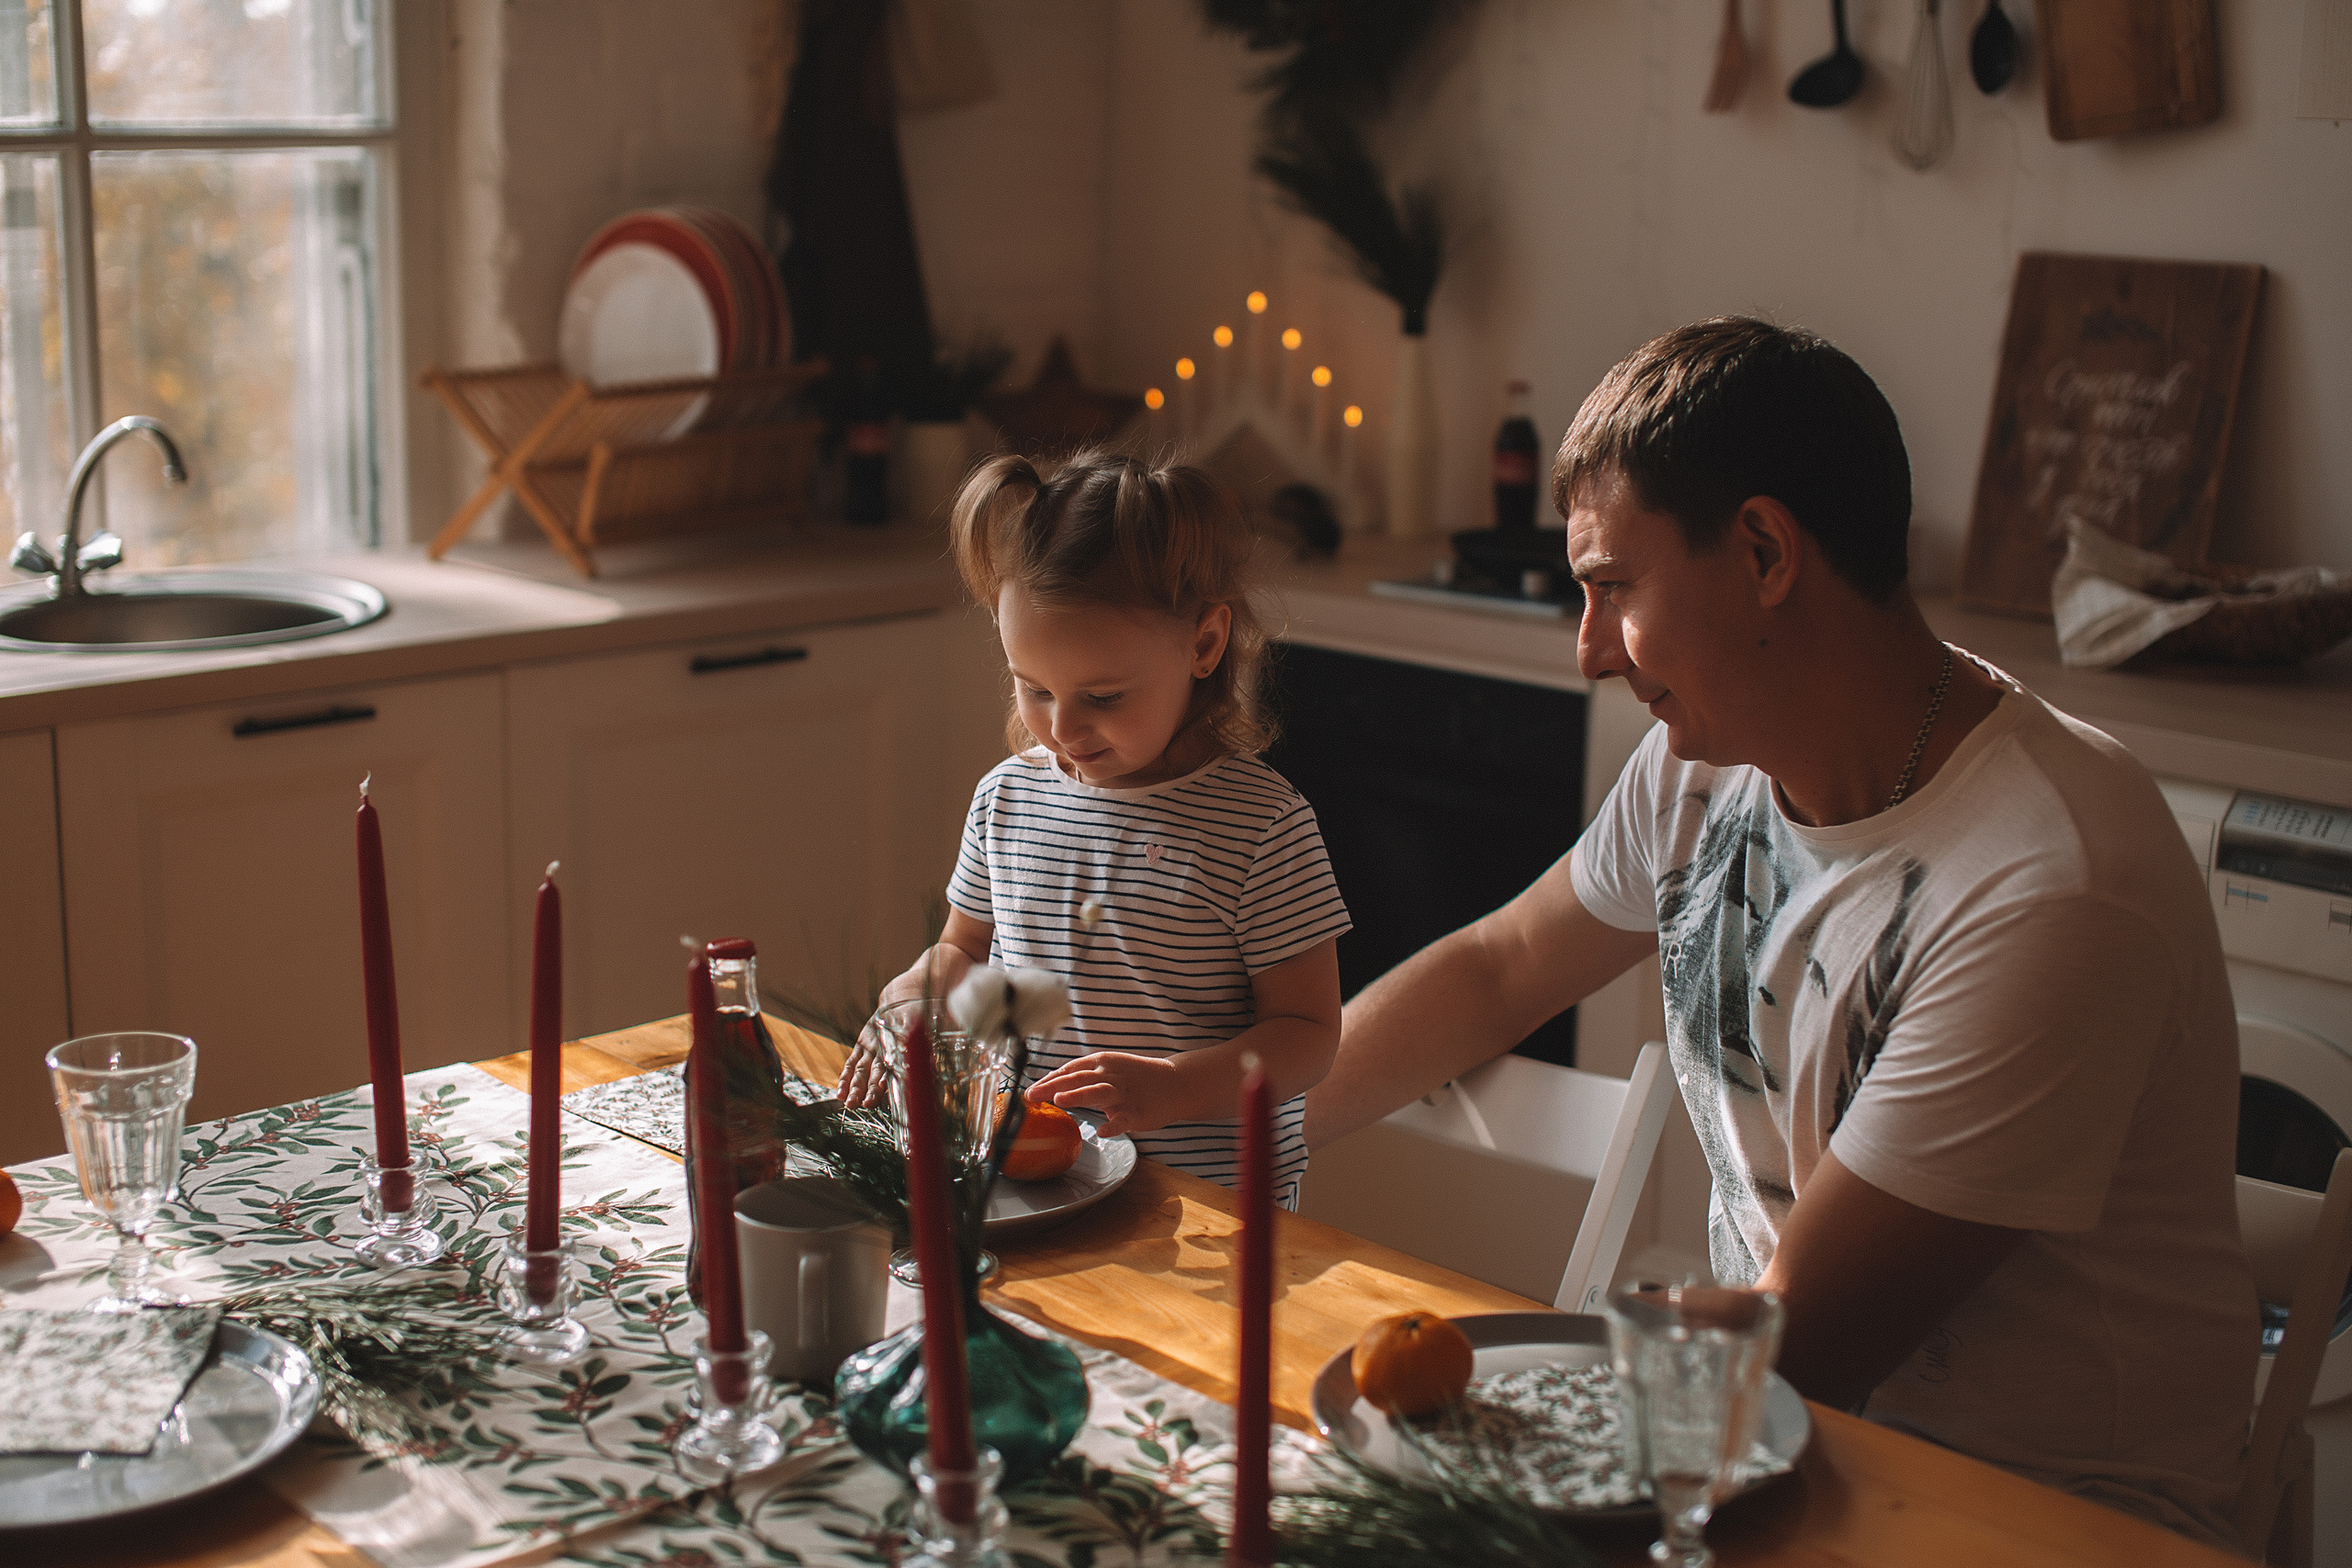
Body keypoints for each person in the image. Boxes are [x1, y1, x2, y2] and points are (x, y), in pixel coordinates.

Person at [1304, 318, 2256, 1545]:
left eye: (1611, 588)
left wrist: (1469, 1415)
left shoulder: (2047, 883)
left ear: (1762, 551)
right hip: (1776, 1437)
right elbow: (1499, 969)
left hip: (2037, 1515)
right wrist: (1236, 1123)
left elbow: (1804, 1340)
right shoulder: (1703, 768)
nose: (1590, 650)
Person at [842, 449, 1350, 1209]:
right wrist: (914, 996)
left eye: (1104, 696)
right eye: (1034, 687)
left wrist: (1177, 1087)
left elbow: (1308, 1033)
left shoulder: (1261, 827)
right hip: (1030, 1185)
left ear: (1205, 645)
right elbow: (963, 948)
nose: (1062, 726)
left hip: (1205, 1214)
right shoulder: (1005, 800)